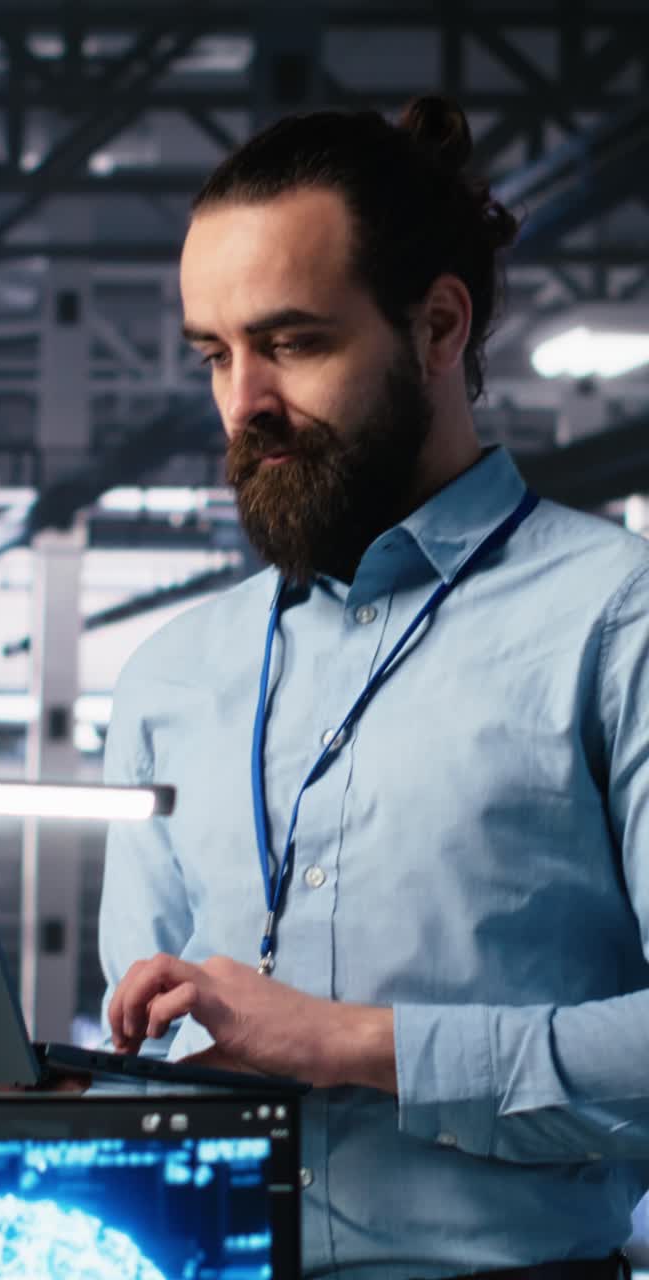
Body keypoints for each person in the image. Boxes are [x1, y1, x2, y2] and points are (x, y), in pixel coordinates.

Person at [100, 96, 649, 1279]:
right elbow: (138, 1069)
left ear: (439, 324)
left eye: (292, 341)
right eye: (215, 354)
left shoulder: (617, 622)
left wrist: (351, 1043)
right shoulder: (167, 678)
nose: (243, 403)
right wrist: (30, 1099)